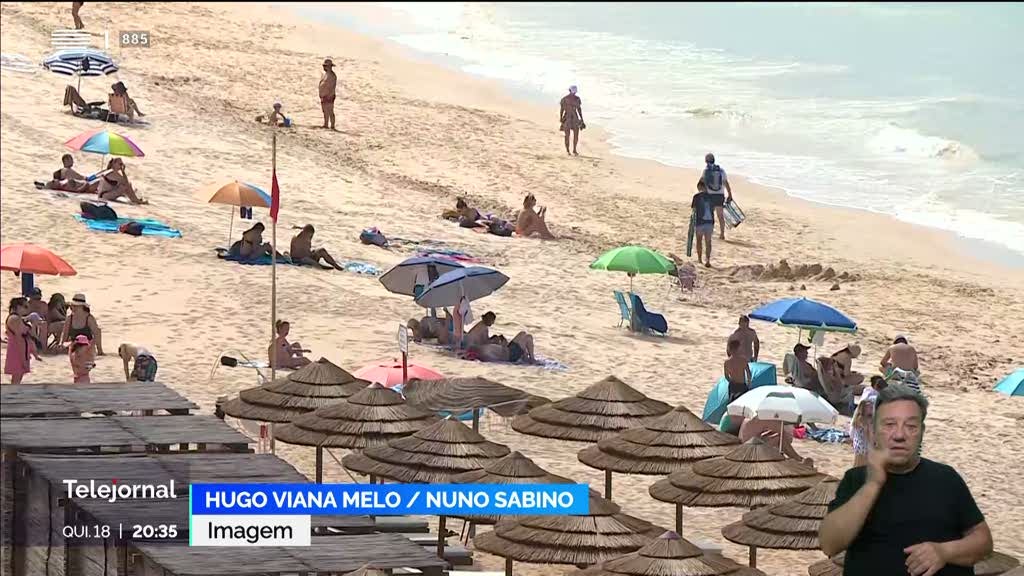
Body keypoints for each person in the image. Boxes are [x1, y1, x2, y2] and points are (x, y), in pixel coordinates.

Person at [820, 384, 993, 576]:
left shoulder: (946, 478)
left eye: (910, 426)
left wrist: (944, 552)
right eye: (889, 424)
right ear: (874, 431)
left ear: (922, 432)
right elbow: (830, 544)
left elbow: (983, 541)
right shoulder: (856, 479)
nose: (900, 435)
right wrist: (873, 484)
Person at [739, 416, 814, 467]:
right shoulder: (768, 419)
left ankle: (797, 458)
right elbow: (785, 437)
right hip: (751, 450)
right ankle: (798, 459)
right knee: (779, 439)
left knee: (777, 436)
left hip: (746, 445)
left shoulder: (759, 416)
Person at [850, 377, 888, 468]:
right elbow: (870, 434)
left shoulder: (867, 393)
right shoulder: (876, 400)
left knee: (857, 465)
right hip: (864, 446)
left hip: (859, 444)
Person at [700, 153, 733, 240]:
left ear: (706, 161)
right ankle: (722, 234)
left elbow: (701, 183)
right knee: (720, 216)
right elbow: (726, 183)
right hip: (719, 195)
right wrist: (730, 194)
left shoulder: (705, 171)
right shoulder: (721, 170)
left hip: (710, 196)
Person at [5, 297, 34, 384]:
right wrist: (23, 359)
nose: (27, 309)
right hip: (17, 351)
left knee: (17, 378)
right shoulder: (15, 319)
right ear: (17, 307)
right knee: (16, 378)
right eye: (25, 307)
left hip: (19, 350)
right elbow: (19, 339)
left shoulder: (17, 318)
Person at [35, 154, 99, 193]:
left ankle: (43, 185)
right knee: (102, 177)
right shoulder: (67, 171)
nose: (73, 161)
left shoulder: (63, 173)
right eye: (71, 160)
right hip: (86, 183)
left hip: (83, 183)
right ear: (66, 161)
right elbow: (83, 179)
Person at [690, 180, 716, 267]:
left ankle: (700, 259)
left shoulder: (696, 197)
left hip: (700, 222)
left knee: (699, 241)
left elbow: (694, 210)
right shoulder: (712, 197)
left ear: (699, 187)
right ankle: (708, 260)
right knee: (708, 242)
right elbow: (714, 209)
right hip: (709, 222)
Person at [469, 331, 536, 364]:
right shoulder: (487, 351)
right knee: (529, 337)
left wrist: (503, 343)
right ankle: (532, 359)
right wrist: (503, 345)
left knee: (523, 333)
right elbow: (503, 357)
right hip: (511, 355)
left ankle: (525, 356)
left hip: (509, 349)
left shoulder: (486, 347)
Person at [559, 85, 584, 156]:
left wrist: (561, 118)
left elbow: (562, 109)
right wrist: (582, 119)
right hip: (573, 118)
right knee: (573, 135)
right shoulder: (577, 99)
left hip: (568, 118)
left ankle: (570, 150)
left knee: (568, 135)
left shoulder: (564, 99)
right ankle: (572, 150)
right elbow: (579, 110)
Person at [319, 58, 337, 130]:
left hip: (329, 95)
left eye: (325, 66)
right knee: (325, 110)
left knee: (330, 111)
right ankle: (325, 124)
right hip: (324, 95)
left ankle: (332, 126)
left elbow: (332, 87)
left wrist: (329, 95)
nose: (324, 67)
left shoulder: (332, 76)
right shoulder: (325, 74)